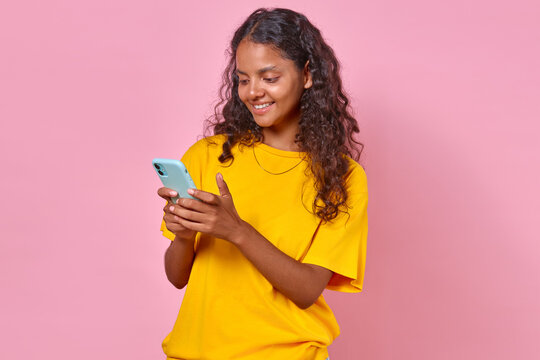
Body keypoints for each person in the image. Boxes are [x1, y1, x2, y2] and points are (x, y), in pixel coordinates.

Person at [157, 7, 368, 360]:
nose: (253, 92)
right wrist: (182, 234)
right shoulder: (208, 155)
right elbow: (178, 278)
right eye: (243, 79)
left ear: (307, 76)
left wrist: (236, 230)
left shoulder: (341, 177)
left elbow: (306, 290)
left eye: (269, 78)